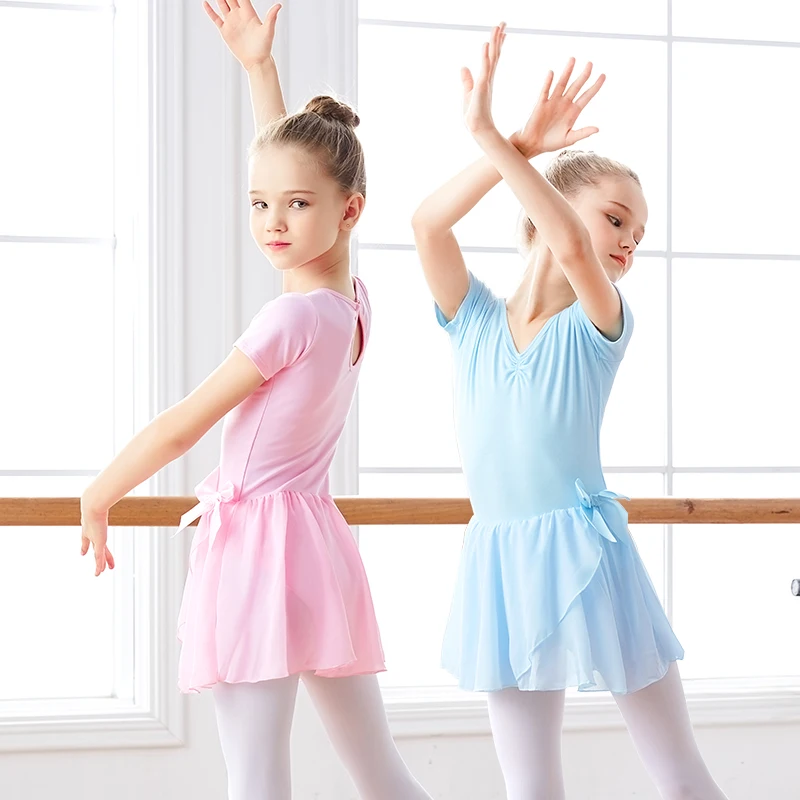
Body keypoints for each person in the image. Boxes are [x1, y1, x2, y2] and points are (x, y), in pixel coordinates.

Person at [80, 3, 432, 798]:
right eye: (257, 204)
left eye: (294, 207)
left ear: (349, 212)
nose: (272, 221)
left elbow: (180, 429)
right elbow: (297, 172)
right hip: (314, 545)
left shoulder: (290, 317)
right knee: (379, 770)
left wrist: (99, 492)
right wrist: (258, 72)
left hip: (255, 554)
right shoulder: (351, 304)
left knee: (256, 776)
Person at [411, 22, 728, 800]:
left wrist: (495, 140)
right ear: (543, 207)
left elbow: (574, 250)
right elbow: (426, 224)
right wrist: (510, 143)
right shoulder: (475, 321)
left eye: (639, 233)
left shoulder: (599, 321)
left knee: (677, 769)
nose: (628, 241)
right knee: (529, 785)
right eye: (617, 217)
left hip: (590, 558)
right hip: (500, 562)